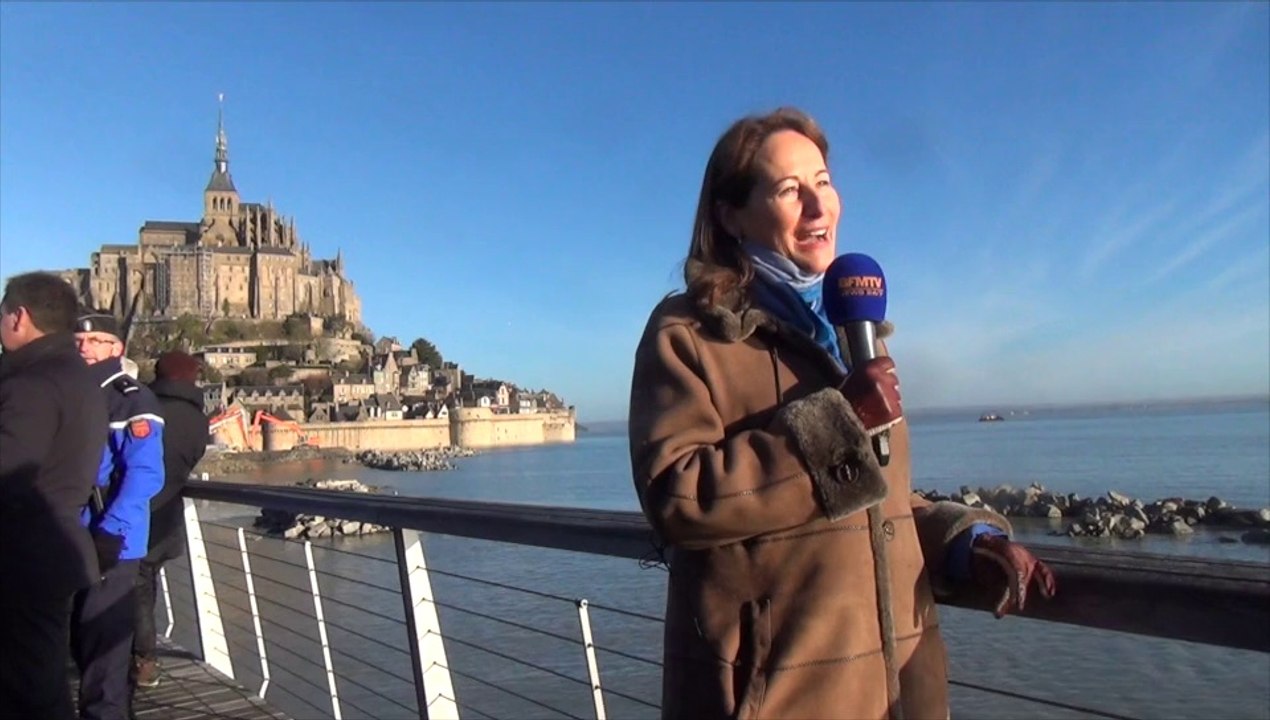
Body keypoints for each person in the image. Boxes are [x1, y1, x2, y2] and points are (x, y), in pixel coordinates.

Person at [627, 107, 1057, 720]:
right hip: (776, 699)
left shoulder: (857, 333)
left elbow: (880, 498)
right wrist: (840, 424)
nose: (819, 207)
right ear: (730, 215)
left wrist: (969, 540)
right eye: (788, 190)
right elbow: (677, 498)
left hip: (899, 696)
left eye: (824, 182)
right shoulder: (689, 333)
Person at [0, 273, 108, 720]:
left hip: (20, 559)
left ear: (19, 316)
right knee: (41, 685)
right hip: (54, 554)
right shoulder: (80, 380)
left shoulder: (31, 385)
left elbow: (7, 476)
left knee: (25, 692)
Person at [72, 309, 165, 720]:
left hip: (111, 542)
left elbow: (145, 474)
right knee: (81, 647)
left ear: (117, 347)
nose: (85, 349)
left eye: (95, 342)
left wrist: (111, 532)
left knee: (103, 660)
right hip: (71, 537)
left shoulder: (132, 398)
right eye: (78, 342)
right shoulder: (73, 392)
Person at [131, 350, 209, 688]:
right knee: (146, 587)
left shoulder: (143, 407)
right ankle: (144, 660)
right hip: (167, 516)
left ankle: (140, 658)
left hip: (133, 510)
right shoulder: (198, 419)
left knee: (134, 589)